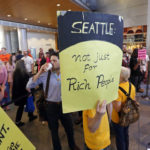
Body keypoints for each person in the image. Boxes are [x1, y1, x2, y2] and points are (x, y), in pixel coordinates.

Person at [27, 52, 80, 150]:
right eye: (50, 60)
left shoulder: (67, 72)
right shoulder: (45, 74)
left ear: (61, 62)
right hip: (50, 106)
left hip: (65, 105)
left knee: (69, 128)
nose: (52, 62)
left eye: (54, 60)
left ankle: (72, 145)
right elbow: (29, 86)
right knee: (54, 131)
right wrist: (39, 72)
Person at [111, 67, 136, 150]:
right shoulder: (131, 86)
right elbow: (133, 100)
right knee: (125, 134)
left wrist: (111, 100)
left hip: (118, 118)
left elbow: (117, 109)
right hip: (128, 115)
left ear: (120, 77)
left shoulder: (117, 90)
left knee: (119, 137)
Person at [12, 60, 37, 127]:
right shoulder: (23, 73)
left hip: (18, 93)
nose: (26, 65)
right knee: (26, 104)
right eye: (25, 64)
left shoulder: (15, 72)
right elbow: (27, 85)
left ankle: (28, 116)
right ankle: (18, 121)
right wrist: (29, 92)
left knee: (22, 106)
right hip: (24, 93)